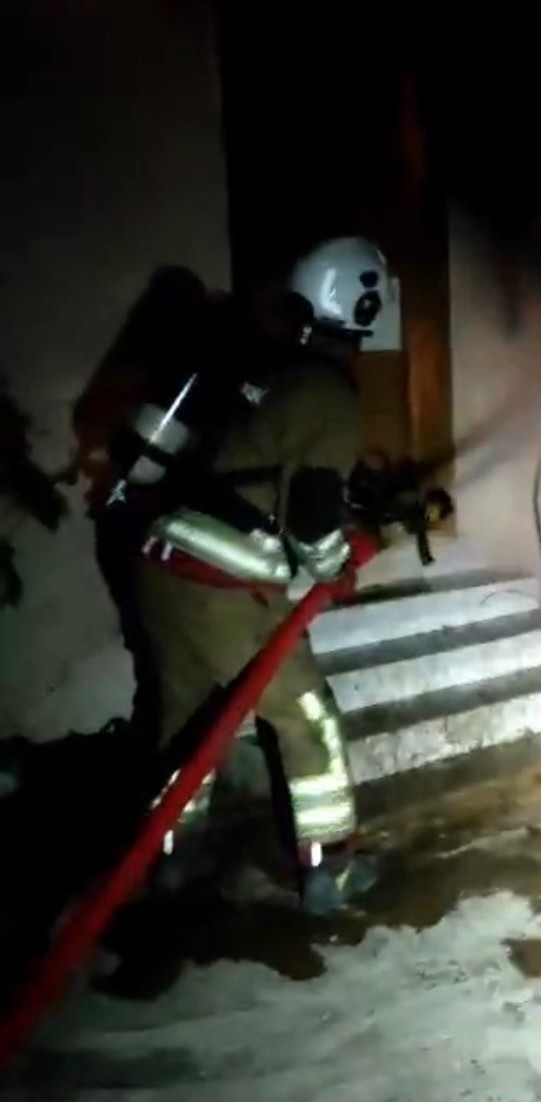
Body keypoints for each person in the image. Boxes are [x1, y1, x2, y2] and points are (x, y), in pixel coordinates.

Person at [103, 237, 392, 916]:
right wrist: (335, 568)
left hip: (160, 566)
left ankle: (169, 860)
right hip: (223, 587)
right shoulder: (329, 392)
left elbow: (251, 469)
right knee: (306, 720)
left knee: (185, 722)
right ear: (366, 308)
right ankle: (331, 873)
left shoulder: (258, 367)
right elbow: (312, 516)